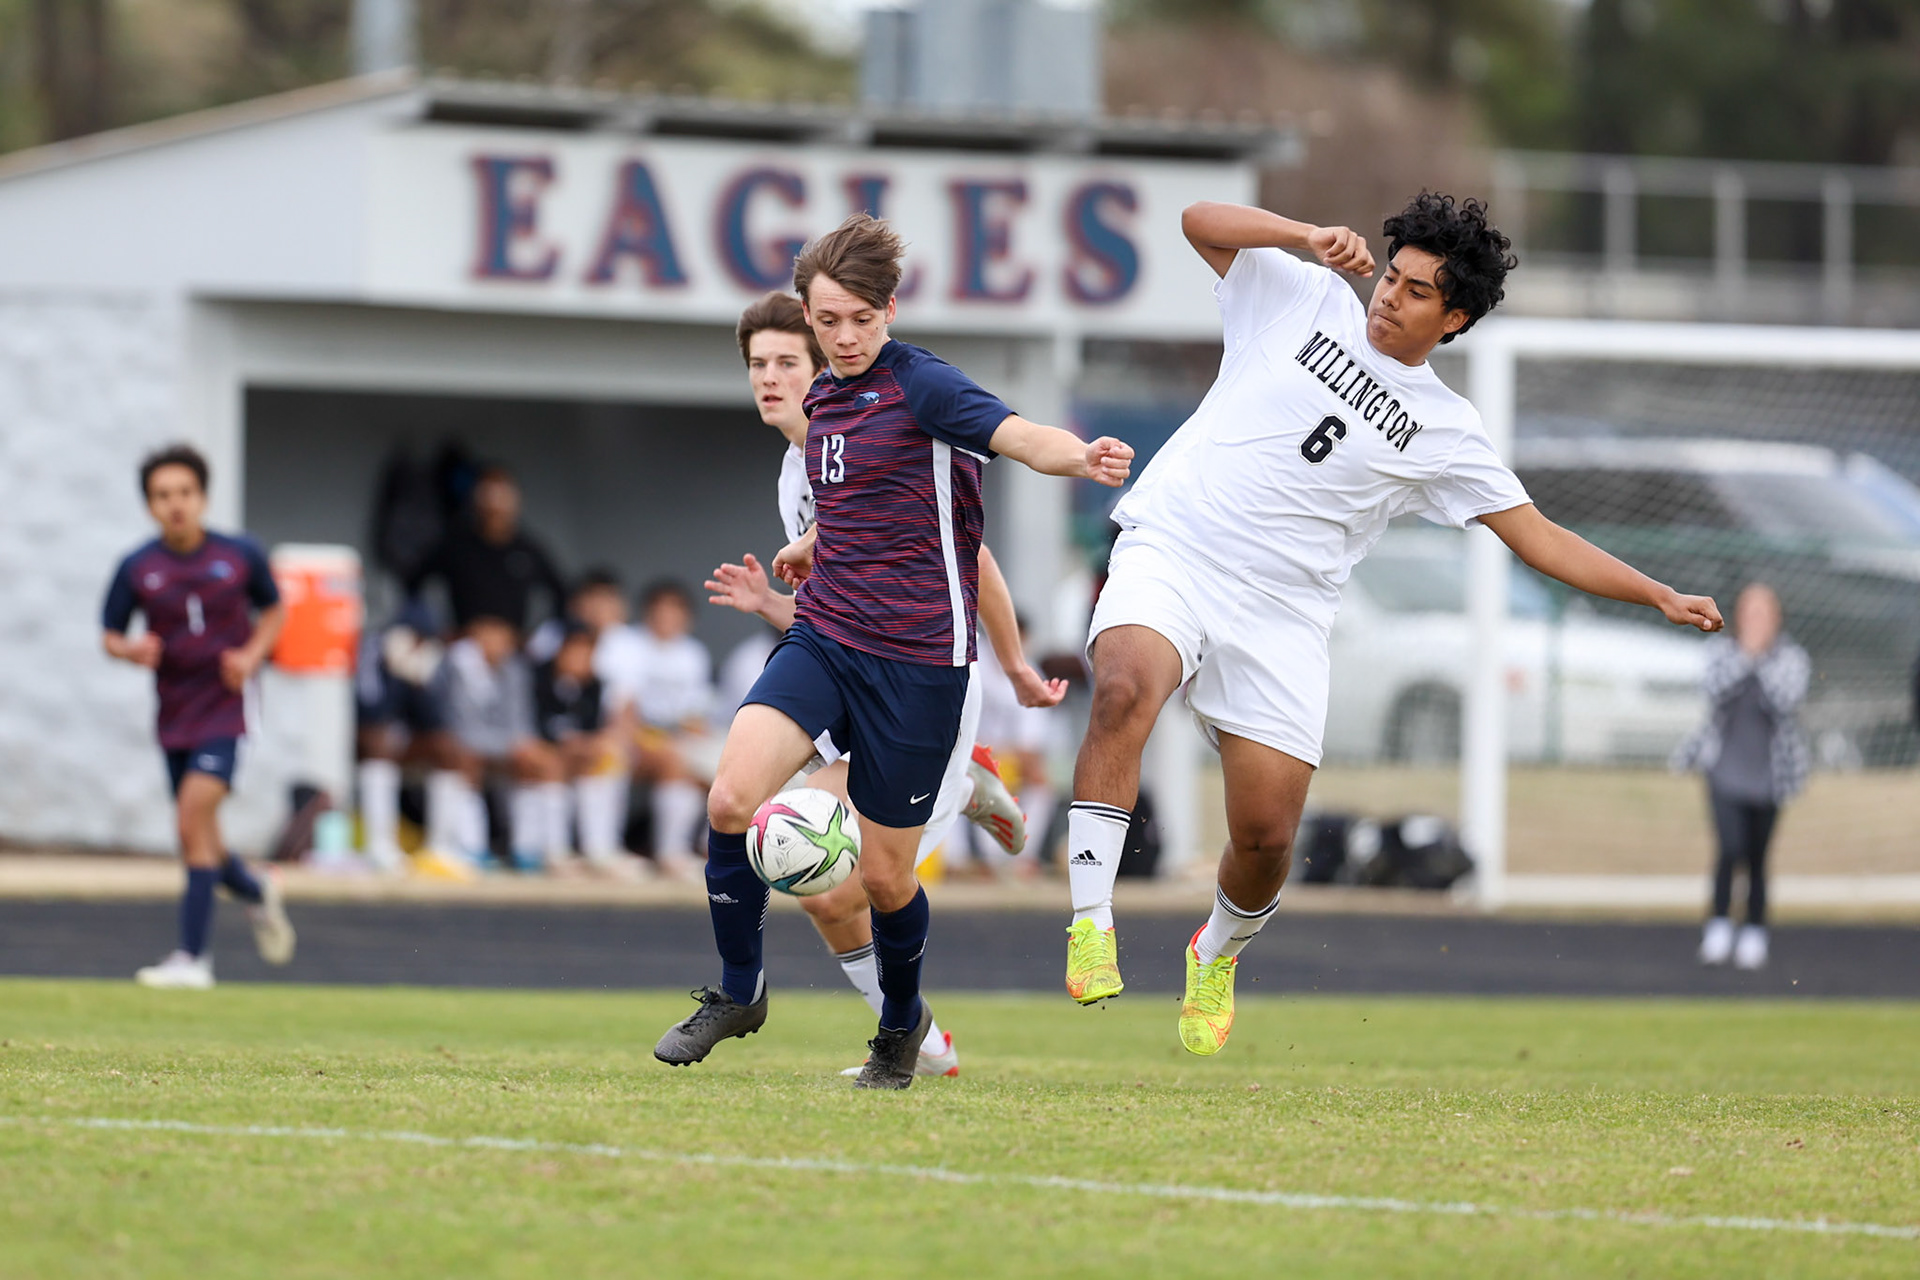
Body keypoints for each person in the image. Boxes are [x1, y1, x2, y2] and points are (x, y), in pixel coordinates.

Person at [1063, 193, 1723, 1056]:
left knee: (1264, 840)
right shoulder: (1303, 296)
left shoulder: (1447, 429)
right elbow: (1195, 220)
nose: (1390, 295)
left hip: (1284, 617)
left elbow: (1539, 539)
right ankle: (1089, 920)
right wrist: (1301, 233)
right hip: (1176, 551)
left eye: (1418, 292)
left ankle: (1215, 953)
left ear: (1454, 319)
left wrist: (1658, 594)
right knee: (1122, 688)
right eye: (1393, 275)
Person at [654, 216, 1133, 1089]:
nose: (843, 338)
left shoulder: (925, 388)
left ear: (889, 311)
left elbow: (1020, 434)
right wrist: (805, 554)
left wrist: (1081, 457)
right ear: (807, 312)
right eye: (827, 320)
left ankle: (901, 1031)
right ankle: (737, 990)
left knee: (882, 879)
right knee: (730, 799)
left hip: (920, 666)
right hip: (828, 636)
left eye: (859, 321)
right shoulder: (824, 403)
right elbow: (845, 511)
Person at [701, 289, 1064, 1077]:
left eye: (786, 362)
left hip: (928, 681)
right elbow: (841, 602)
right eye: (758, 366)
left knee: (853, 879)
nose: (771, 380)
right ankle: (918, 1041)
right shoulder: (798, 468)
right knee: (793, 859)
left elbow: (974, 561)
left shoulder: (886, 425)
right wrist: (774, 605)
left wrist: (1016, 668)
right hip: (847, 668)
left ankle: (915, 1040)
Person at [101, 444, 297, 989]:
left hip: (227, 706)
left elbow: (275, 609)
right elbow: (110, 634)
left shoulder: (239, 554)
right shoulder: (138, 566)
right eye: (163, 496)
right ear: (150, 506)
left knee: (191, 819)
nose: (176, 504)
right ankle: (255, 889)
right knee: (201, 833)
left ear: (202, 496)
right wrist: (130, 650)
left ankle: (192, 959)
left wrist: (253, 655)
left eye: (184, 492)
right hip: (175, 713)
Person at [1674, 582, 1809, 971]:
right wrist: (1746, 656)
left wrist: (1759, 659)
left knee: (1757, 856)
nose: (1755, 621)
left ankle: (1754, 930)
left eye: (1763, 614)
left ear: (1776, 618)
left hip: (1770, 776)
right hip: (1724, 770)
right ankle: (1717, 924)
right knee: (1729, 848)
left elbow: (1785, 700)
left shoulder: (1791, 658)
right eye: (1749, 613)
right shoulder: (1721, 652)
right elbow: (1715, 690)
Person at [435, 615, 568, 872]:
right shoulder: (457, 666)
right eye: (488, 634)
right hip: (465, 743)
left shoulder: (515, 669)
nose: (495, 642)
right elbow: (459, 725)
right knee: (465, 759)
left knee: (541, 762)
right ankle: (471, 847)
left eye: (501, 636)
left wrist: (521, 745)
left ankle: (534, 849)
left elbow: (521, 720)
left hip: (503, 743)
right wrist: (508, 744)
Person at [354, 599, 462, 875]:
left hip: (404, 740)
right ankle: (380, 846)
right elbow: (368, 711)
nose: (418, 644)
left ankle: (440, 847)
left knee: (446, 748)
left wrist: (418, 684)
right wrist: (393, 673)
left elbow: (435, 722)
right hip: (364, 740)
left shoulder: (433, 660)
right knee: (379, 741)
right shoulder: (372, 651)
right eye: (414, 637)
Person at [406, 464, 567, 634]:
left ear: (516, 501)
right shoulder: (455, 546)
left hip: (513, 649)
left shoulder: (528, 549)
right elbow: (414, 584)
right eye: (487, 497)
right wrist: (439, 632)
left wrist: (527, 638)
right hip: (464, 645)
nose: (494, 508)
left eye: (502, 498)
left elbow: (561, 596)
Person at [534, 619, 632, 874]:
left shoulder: (594, 685)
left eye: (587, 651)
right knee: (551, 764)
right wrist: (569, 744)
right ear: (559, 650)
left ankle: (598, 849)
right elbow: (533, 728)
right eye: (574, 649)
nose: (581, 657)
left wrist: (586, 744)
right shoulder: (536, 679)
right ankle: (554, 851)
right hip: (541, 751)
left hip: (577, 753)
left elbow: (594, 730)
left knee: (605, 756)